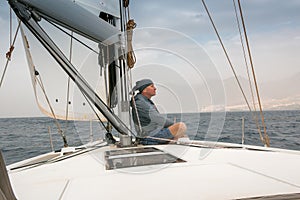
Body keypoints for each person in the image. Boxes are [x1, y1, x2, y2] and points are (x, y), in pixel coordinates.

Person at [131, 79, 187, 144]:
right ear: (144, 90)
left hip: (152, 133)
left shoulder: (144, 101)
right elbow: (158, 119)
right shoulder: (141, 103)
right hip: (149, 137)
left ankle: (170, 142)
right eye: (152, 86)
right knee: (181, 126)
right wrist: (173, 124)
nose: (155, 88)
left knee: (180, 132)